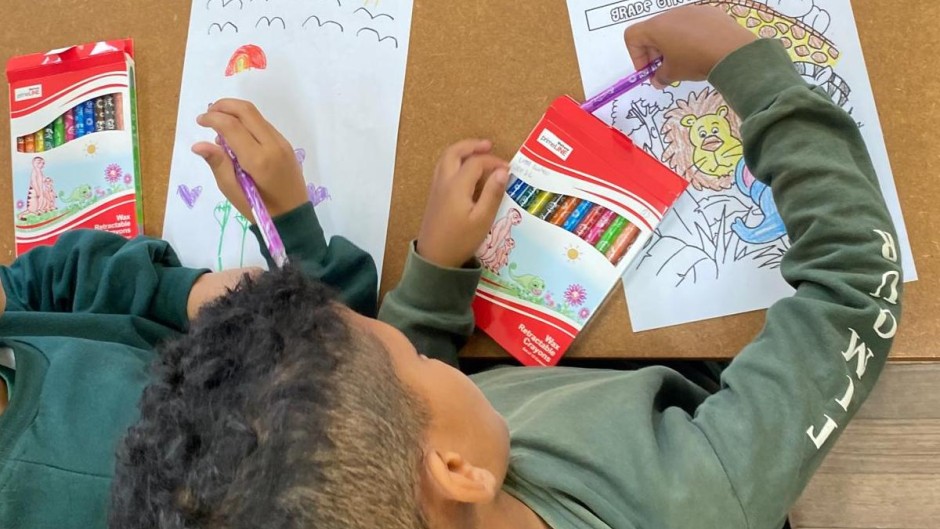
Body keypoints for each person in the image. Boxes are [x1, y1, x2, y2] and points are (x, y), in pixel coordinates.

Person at [108, 5, 903, 529]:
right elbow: (855, 284)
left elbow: (386, 415)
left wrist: (434, 276)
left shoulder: (422, 479)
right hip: (701, 416)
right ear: (454, 470)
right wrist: (745, 65)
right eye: (414, 356)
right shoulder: (691, 497)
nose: (412, 341)